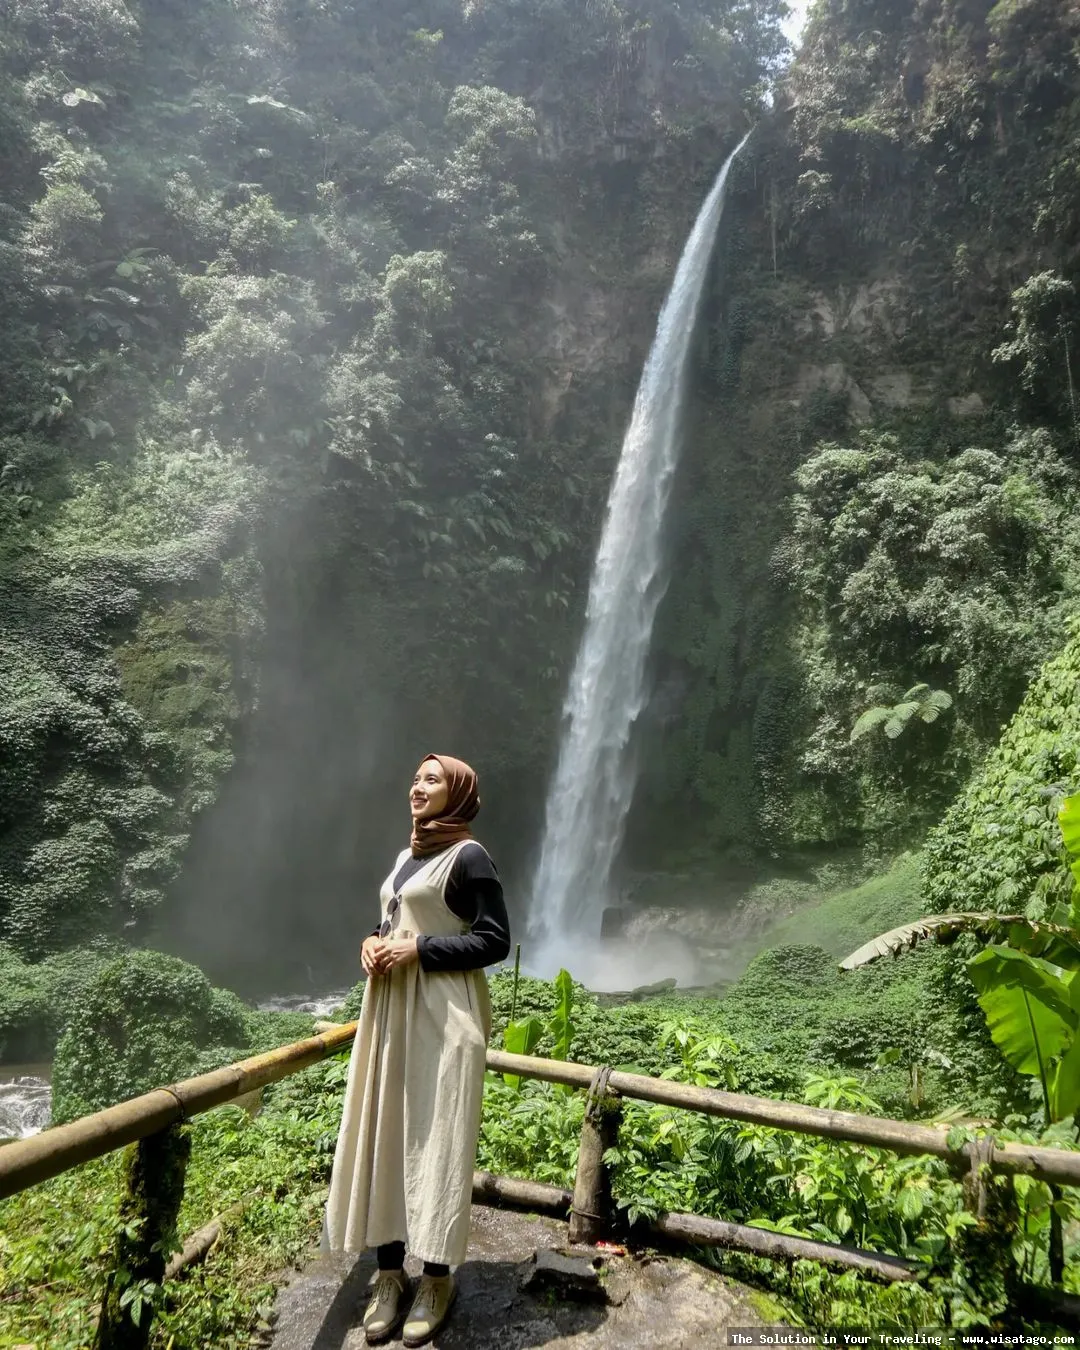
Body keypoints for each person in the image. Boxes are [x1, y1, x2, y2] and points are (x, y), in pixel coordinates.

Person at [321, 753, 511, 1347]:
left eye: (432, 780)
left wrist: (420, 949)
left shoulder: (469, 856)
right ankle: (388, 1275)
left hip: (442, 1016)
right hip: (388, 1015)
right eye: (415, 778)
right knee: (386, 1134)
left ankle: (435, 1280)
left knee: (435, 1140)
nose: (417, 787)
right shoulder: (407, 856)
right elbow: (392, 922)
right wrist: (373, 943)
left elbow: (494, 940)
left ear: (456, 793)